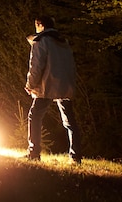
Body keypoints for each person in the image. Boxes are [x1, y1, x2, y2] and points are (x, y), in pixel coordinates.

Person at [24, 16, 82, 163]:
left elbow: (36, 66)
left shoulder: (41, 41)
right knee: (70, 121)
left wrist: (30, 85)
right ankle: (76, 157)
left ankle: (34, 153)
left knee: (35, 116)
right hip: (65, 85)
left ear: (40, 25)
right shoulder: (64, 42)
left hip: (47, 85)